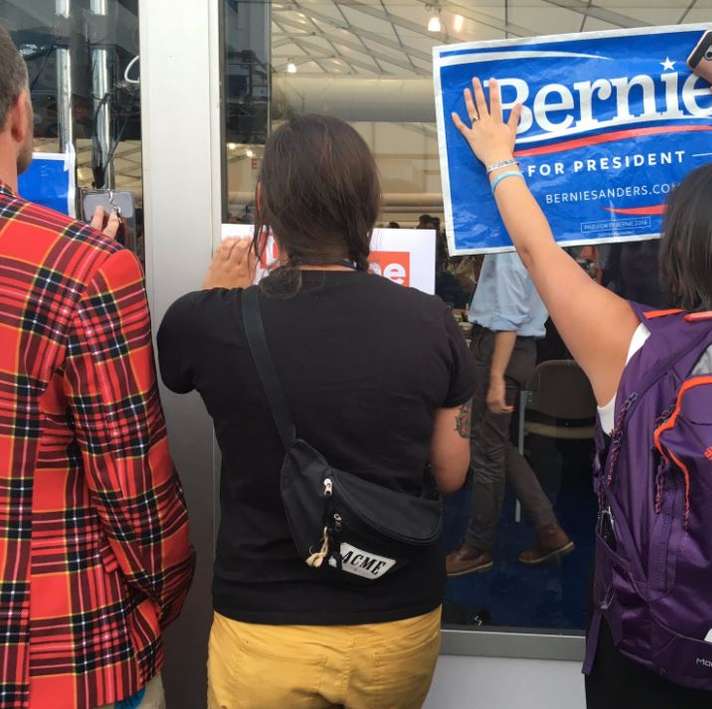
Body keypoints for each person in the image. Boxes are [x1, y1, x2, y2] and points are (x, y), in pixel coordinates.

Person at [452, 47, 712, 707]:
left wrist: (500, 156)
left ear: (677, 248)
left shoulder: (630, 343)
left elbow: (537, 252)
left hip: (652, 642)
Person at [157, 114, 476, 708]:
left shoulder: (211, 320)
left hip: (265, 626)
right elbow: (453, 473)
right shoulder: (432, 321)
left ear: (265, 206)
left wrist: (218, 293)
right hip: (395, 615)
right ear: (369, 206)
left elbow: (176, 375)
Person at [0, 25, 194, 709]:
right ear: (20, 116)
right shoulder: (82, 270)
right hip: (64, 653)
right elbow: (137, 494)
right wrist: (153, 607)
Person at [446, 252, 575, 576]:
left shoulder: (507, 248)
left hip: (499, 350)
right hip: (514, 349)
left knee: (487, 450)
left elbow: (508, 317)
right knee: (496, 443)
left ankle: (477, 548)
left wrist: (495, 377)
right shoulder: (535, 241)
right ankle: (549, 530)